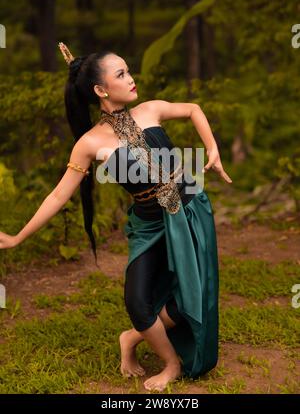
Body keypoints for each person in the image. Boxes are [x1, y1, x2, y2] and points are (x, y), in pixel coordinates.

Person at [0, 43, 233, 392]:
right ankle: (168, 362)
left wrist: (212, 148)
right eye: (122, 74)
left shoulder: (150, 110)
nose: (132, 78)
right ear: (100, 89)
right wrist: (18, 237)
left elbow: (193, 109)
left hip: (187, 209)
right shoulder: (90, 143)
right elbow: (59, 194)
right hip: (150, 223)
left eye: (129, 70)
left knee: (190, 296)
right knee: (137, 301)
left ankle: (138, 342)